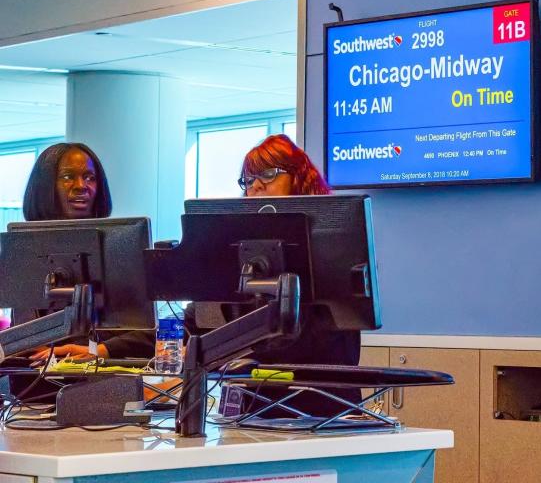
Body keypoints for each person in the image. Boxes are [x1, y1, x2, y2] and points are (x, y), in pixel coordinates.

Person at [191, 134, 359, 418]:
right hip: (251, 407)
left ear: (298, 179)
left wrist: (243, 351)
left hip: (321, 408)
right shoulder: (240, 253)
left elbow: (315, 342)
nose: (256, 186)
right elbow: (208, 321)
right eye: (248, 180)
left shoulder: (333, 246)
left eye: (267, 174)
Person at [20, 143, 154, 362]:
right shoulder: (23, 253)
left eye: (90, 177)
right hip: (38, 375)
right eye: (67, 177)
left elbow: (149, 333)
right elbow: (22, 336)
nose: (81, 186)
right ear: (45, 187)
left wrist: (96, 351)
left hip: (107, 372)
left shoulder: (120, 249)